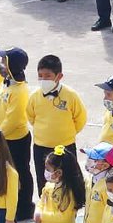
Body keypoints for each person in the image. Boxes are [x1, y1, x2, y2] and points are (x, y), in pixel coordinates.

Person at [26, 54, 86, 189]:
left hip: (65, 146)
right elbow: (31, 116)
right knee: (44, 182)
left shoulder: (71, 95)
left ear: (59, 76)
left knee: (68, 181)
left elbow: (80, 118)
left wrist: (67, 133)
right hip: (41, 147)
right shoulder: (35, 96)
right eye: (40, 75)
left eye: (47, 76)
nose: (43, 79)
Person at [0, 47, 35, 220]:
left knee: (20, 173)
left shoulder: (20, 90)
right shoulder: (5, 84)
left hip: (16, 140)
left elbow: (14, 119)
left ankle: (24, 207)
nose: (0, 64)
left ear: (11, 65)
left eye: (3, 61)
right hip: (2, 137)